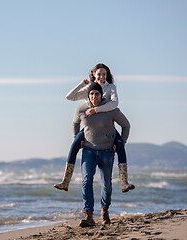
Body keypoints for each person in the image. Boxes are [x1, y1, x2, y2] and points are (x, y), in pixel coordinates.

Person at [54, 63, 135, 193]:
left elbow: (114, 104)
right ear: (93, 75)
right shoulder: (89, 88)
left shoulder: (110, 87)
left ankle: (124, 182)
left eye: (104, 74)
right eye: (99, 74)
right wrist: (82, 84)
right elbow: (69, 97)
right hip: (89, 125)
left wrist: (95, 110)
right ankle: (65, 181)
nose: (102, 77)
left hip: (106, 125)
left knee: (120, 146)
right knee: (74, 144)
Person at [74, 82, 130, 227]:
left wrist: (120, 144)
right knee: (86, 181)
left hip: (107, 151)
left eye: (97, 94)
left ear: (101, 95)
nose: (94, 96)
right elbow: (75, 123)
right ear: (88, 95)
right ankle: (89, 215)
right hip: (88, 151)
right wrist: (77, 139)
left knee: (106, 183)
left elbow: (126, 125)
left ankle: (105, 211)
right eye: (91, 94)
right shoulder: (81, 109)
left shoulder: (111, 109)